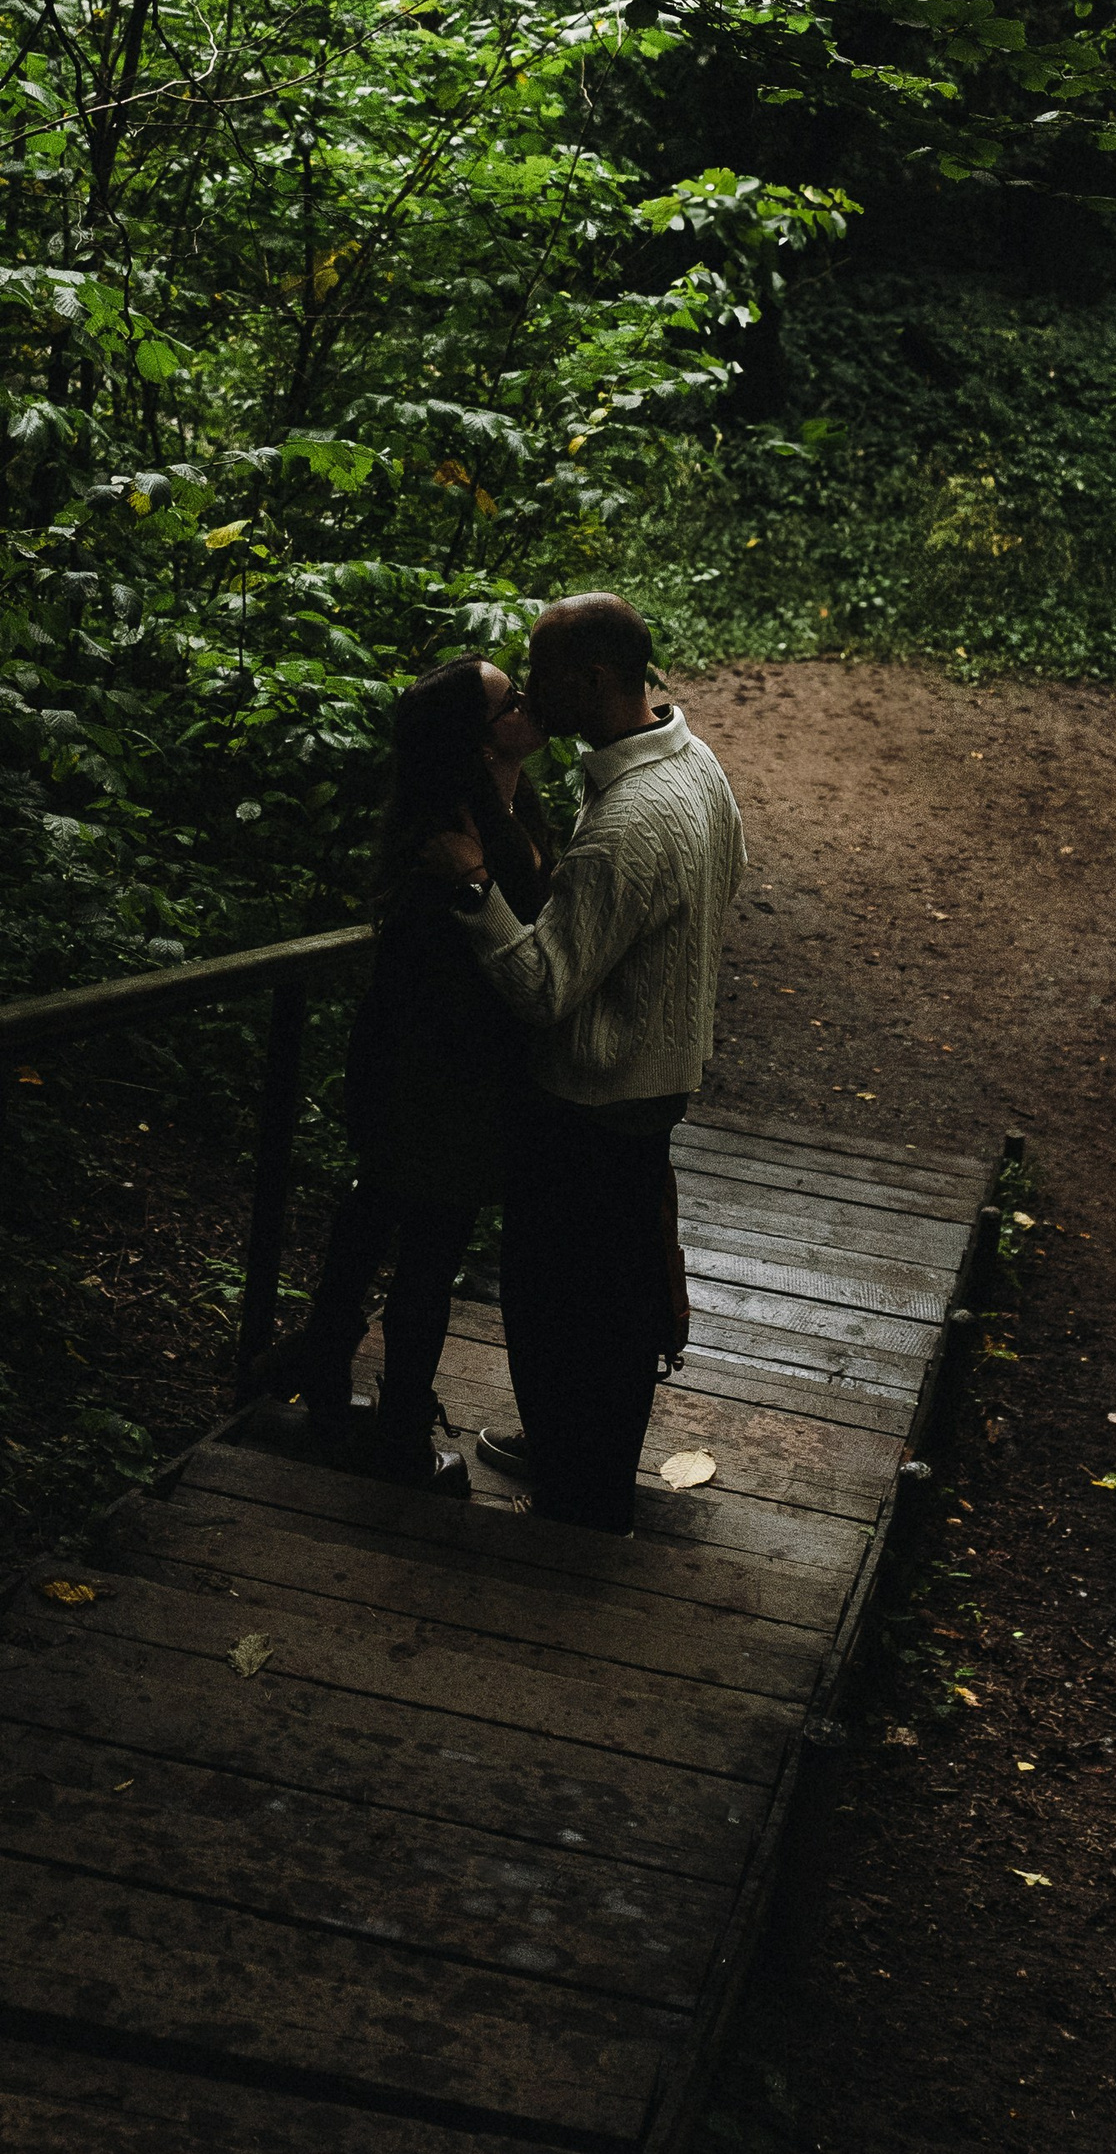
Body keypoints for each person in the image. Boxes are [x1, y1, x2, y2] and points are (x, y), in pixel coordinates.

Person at [434, 593, 746, 1535]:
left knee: (561, 1300)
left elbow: (542, 984)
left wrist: (474, 888)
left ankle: (582, 1494)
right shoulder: (694, 764)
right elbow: (726, 874)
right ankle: (574, 1451)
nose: (530, 690)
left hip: (593, 1094)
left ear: (596, 678)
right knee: (611, 1289)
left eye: (543, 671)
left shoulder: (628, 822)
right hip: (652, 1080)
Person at [253, 656, 550, 1494]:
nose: (529, 703)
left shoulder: (510, 803)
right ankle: (398, 1433)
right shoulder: (447, 833)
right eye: (511, 700)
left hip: (457, 1064)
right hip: (433, 1064)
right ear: (478, 739)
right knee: (427, 1240)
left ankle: (325, 1361)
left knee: (392, 1211)